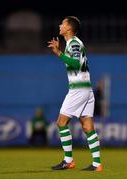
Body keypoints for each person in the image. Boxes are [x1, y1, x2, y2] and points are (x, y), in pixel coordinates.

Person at [48, 16, 103, 171]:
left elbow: (76, 63)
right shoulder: (72, 44)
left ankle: (68, 160)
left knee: (61, 122)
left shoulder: (74, 43)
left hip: (78, 90)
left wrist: (58, 53)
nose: (60, 25)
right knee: (87, 127)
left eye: (63, 23)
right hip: (86, 89)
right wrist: (61, 52)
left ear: (69, 28)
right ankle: (97, 164)